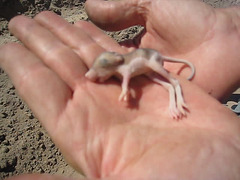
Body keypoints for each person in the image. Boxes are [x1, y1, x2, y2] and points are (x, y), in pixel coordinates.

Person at [1, 0, 240, 179]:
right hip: (143, 63)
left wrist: (126, 93)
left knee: (167, 80)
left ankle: (176, 96)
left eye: (100, 71)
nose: (97, 75)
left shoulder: (124, 68)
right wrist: (228, 30)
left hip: (150, 58)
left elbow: (126, 82)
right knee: (156, 79)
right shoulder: (116, 66)